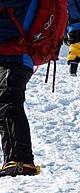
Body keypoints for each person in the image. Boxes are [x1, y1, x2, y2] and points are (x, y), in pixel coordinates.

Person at [0, 1, 40, 177]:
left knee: (10, 104)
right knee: (4, 107)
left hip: (16, 55)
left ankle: (22, 162)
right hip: (10, 55)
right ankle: (12, 161)